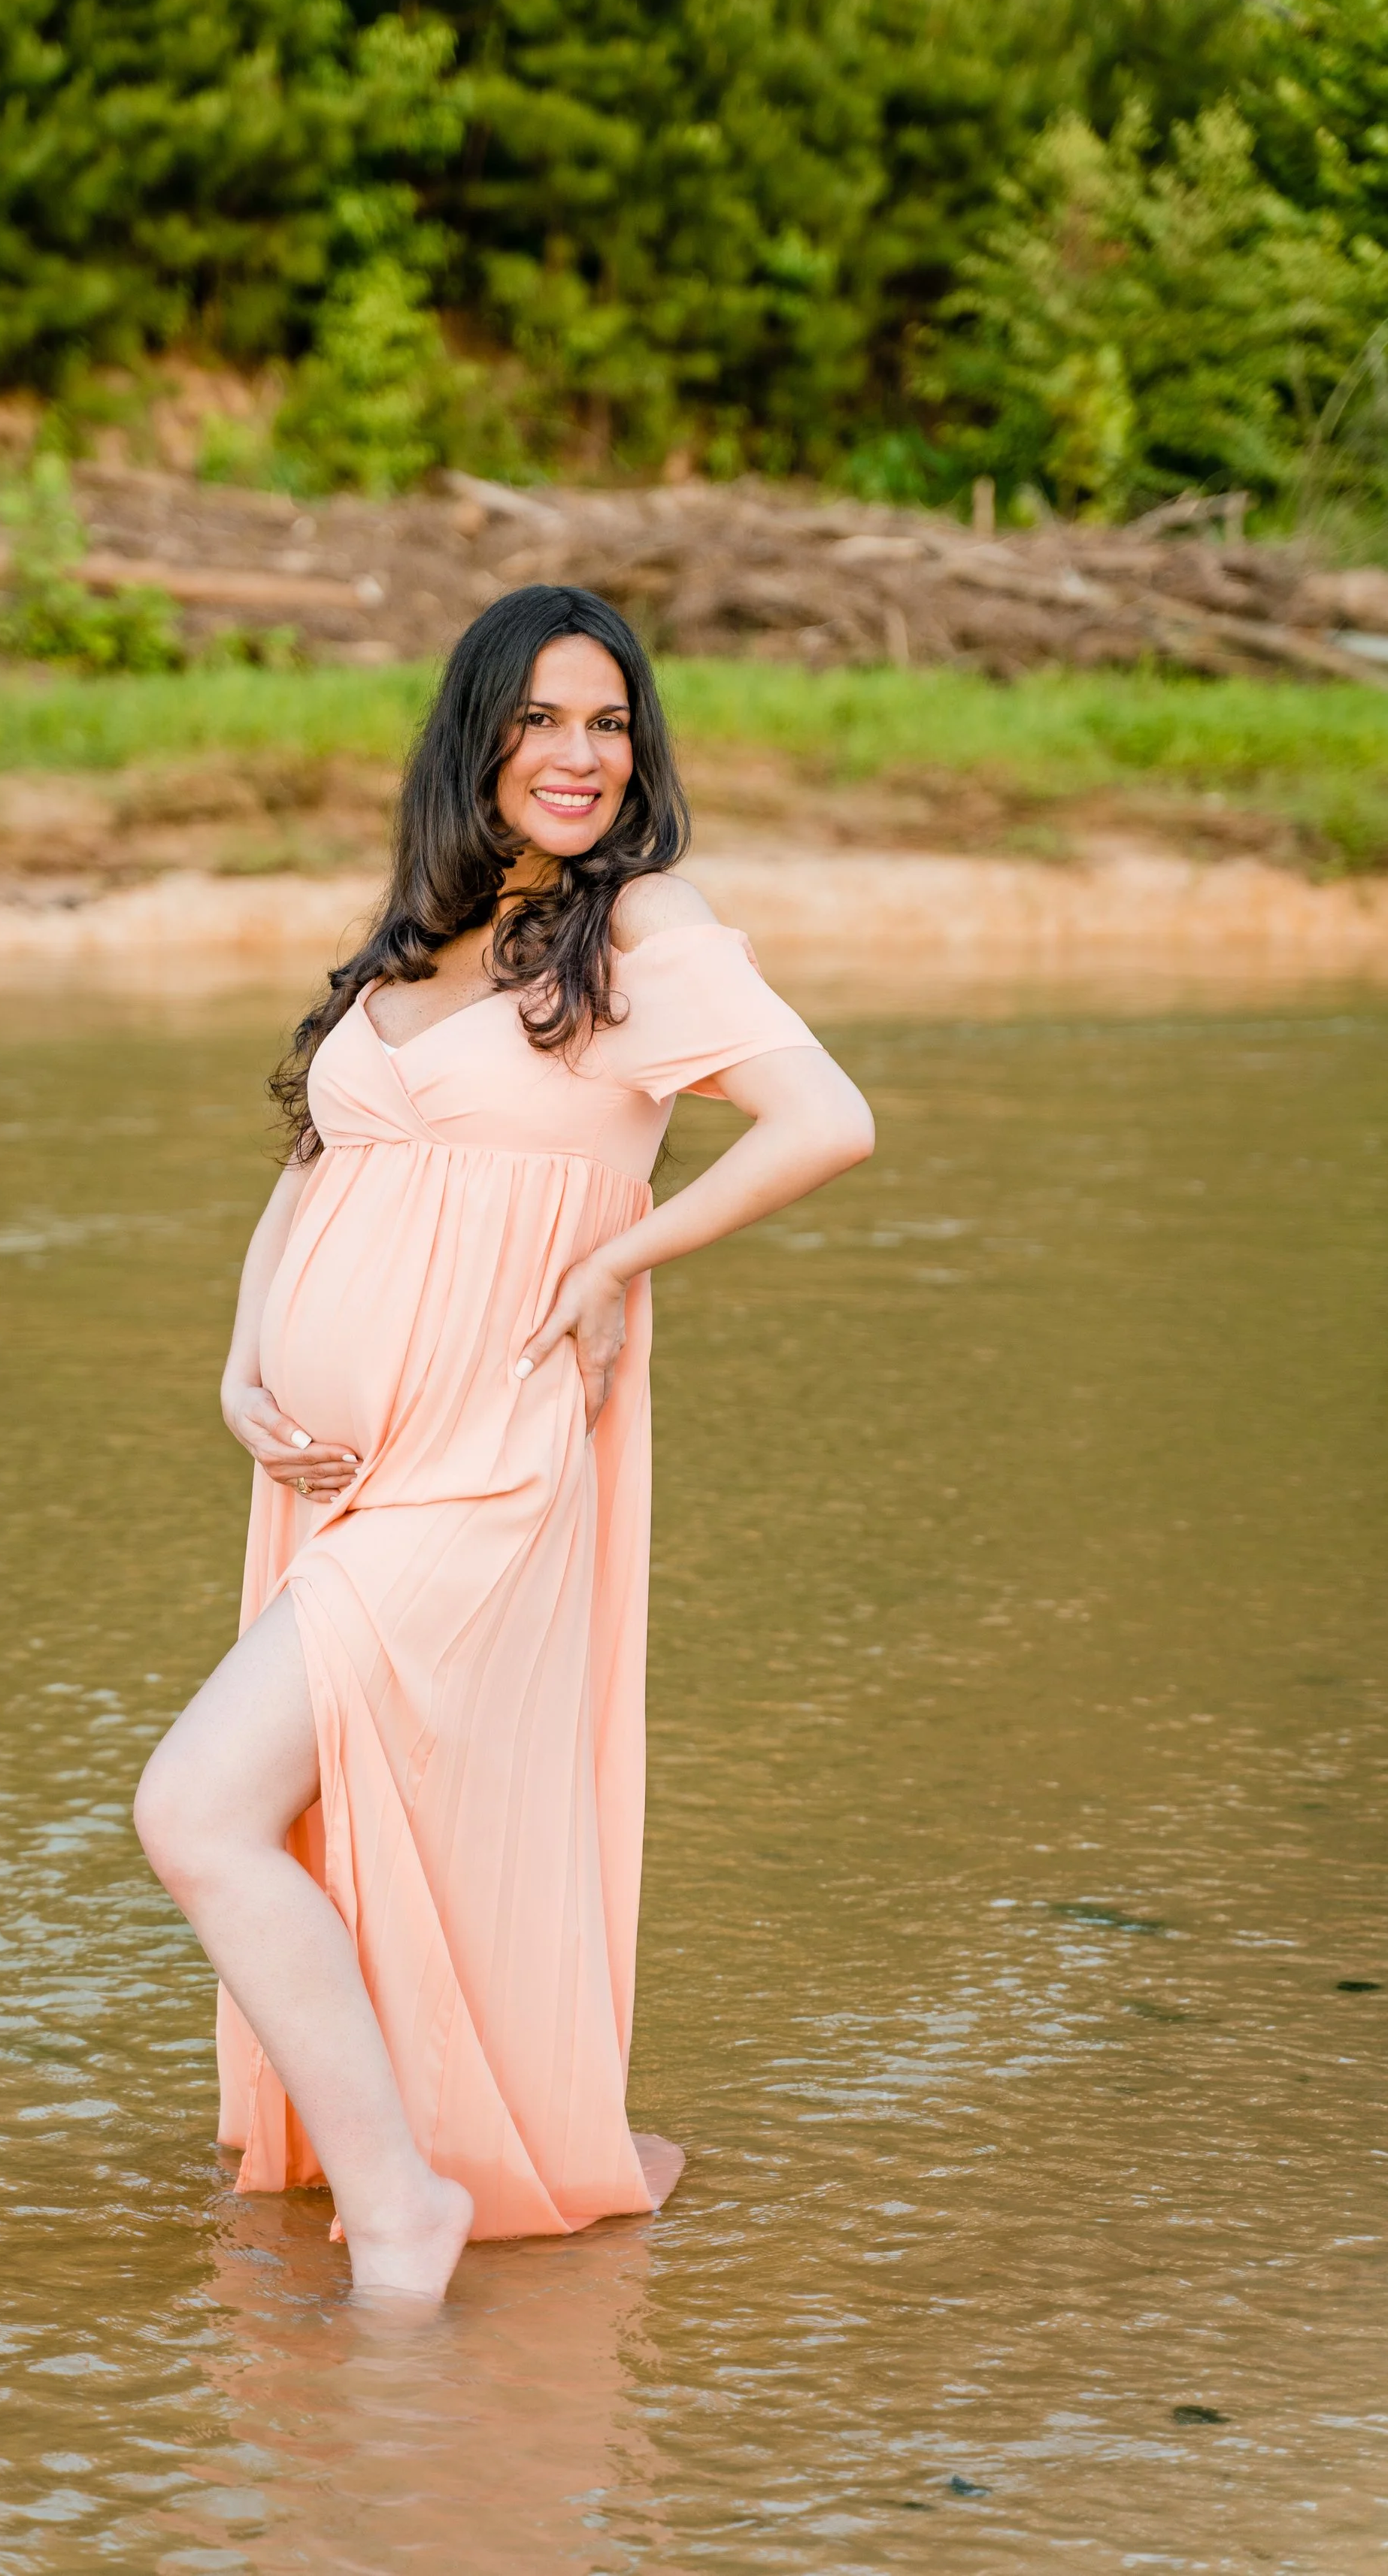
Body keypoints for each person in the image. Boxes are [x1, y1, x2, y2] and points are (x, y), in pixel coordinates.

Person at [135, 584, 874, 2304]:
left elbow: (824, 1121)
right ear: (475, 734)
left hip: (483, 1467)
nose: (577, 754)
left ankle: (403, 2205)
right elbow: (320, 1166)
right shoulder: (427, 935)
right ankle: (419, 2163)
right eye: (539, 718)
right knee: (327, 1825)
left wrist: (620, 1254)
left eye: (606, 722)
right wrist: (245, 1352)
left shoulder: (641, 936)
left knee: (196, 1810)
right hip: (335, 1474)